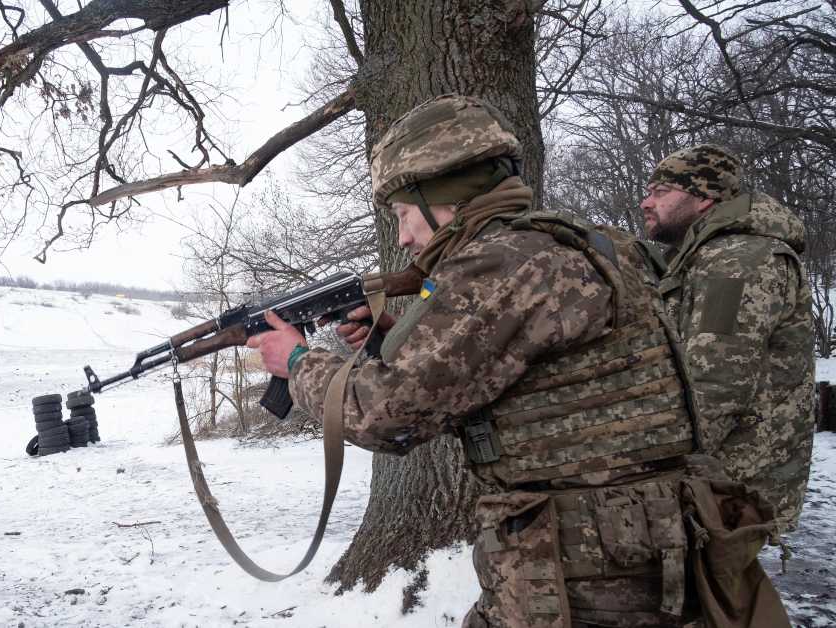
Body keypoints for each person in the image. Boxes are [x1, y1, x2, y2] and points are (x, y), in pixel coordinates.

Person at [247, 96, 788, 627]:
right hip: (635, 543)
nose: (405, 237)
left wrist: (296, 361)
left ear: (447, 199)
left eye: (404, 214)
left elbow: (386, 417)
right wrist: (393, 335)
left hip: (589, 569)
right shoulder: (574, 245)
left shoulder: (507, 262)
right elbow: (510, 372)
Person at [640, 144, 816, 530]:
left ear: (704, 199)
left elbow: (716, 383)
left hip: (731, 489)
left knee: (717, 589)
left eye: (660, 192)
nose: (645, 203)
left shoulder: (737, 261)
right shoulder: (708, 254)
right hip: (716, 481)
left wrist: (642, 465)